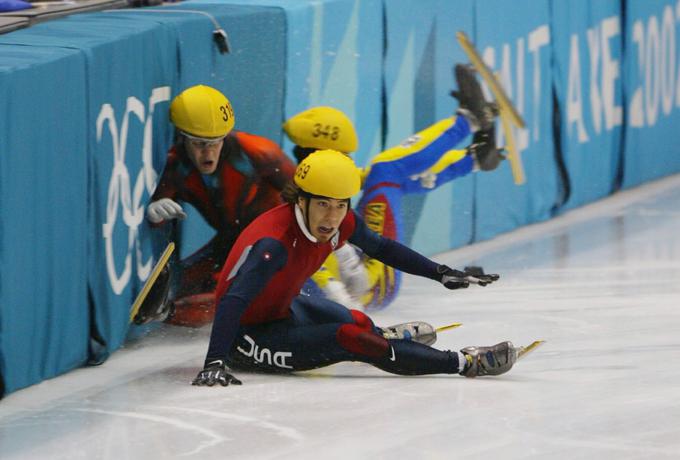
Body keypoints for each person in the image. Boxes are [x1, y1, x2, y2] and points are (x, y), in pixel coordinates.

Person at [192, 149, 515, 387]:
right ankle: (465, 362)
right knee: (351, 338)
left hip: (283, 311)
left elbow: (383, 248)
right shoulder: (273, 244)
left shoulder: (341, 221)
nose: (331, 218)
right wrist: (215, 361)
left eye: (340, 205)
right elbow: (233, 300)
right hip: (245, 339)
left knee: (359, 320)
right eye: (322, 205)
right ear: (300, 201)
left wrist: (441, 272)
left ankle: (381, 336)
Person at [282, 64, 504, 310]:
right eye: (344, 155)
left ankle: (473, 157)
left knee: (391, 177)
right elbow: (303, 257)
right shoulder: (301, 196)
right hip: (361, 288)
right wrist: (344, 306)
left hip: (357, 282)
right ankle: (469, 124)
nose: (349, 160)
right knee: (386, 171)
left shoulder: (311, 182)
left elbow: (388, 178)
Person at [135, 85, 296, 326]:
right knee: (180, 284)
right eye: (199, 144)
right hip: (230, 240)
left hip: (272, 241)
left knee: (239, 289)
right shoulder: (175, 166)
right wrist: (155, 210)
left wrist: (336, 252)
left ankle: (167, 313)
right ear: (183, 138)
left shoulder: (260, 153)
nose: (208, 154)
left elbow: (311, 198)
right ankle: (170, 310)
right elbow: (158, 213)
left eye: (215, 143)